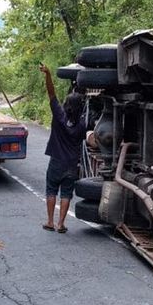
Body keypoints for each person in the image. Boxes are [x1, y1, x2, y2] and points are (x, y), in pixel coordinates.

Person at [39, 63, 86, 234]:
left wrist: (48, 74)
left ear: (66, 105)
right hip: (72, 164)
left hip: (56, 161)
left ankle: (50, 221)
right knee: (66, 193)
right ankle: (61, 224)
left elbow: (51, 93)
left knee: (51, 189)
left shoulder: (59, 116)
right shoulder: (82, 125)